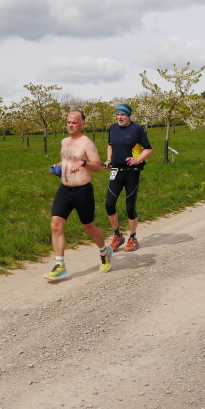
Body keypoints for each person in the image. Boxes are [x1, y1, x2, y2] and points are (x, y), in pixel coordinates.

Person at [45, 110, 113, 279]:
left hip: (82, 191)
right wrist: (58, 166)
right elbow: (67, 160)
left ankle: (104, 252)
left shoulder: (86, 143)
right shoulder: (64, 141)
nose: (70, 125)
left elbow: (97, 166)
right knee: (56, 225)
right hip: (64, 189)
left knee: (89, 227)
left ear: (82, 124)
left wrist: (83, 163)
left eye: (74, 122)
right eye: (68, 122)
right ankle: (60, 265)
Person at [103, 103, 154, 252]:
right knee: (109, 203)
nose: (119, 117)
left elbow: (148, 149)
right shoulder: (113, 128)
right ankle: (117, 235)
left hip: (132, 171)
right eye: (118, 114)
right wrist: (109, 159)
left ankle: (133, 237)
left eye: (122, 115)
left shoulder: (137, 129)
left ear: (128, 116)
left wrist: (137, 160)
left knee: (130, 206)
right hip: (116, 170)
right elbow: (110, 145)